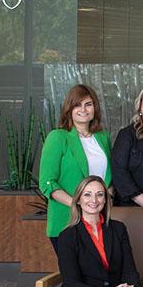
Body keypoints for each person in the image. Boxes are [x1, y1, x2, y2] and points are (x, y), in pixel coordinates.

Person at [40, 84, 112, 253]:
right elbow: (47, 183)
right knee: (74, 269)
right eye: (77, 105)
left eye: (88, 104)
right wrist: (78, 205)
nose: (83, 109)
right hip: (67, 220)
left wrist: (107, 198)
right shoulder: (58, 137)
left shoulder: (103, 137)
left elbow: (109, 177)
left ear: (95, 108)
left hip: (99, 220)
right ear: (69, 109)